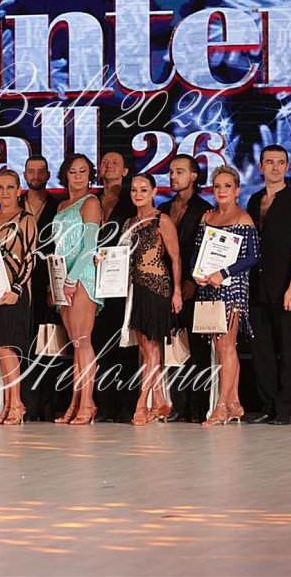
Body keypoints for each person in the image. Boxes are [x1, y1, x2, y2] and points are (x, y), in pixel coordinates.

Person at [246, 145, 291, 425]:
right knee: (261, 351)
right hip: (256, 287)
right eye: (269, 162)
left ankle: (285, 409)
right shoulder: (253, 200)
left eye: (280, 162)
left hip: (286, 288)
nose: (275, 167)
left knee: (288, 350)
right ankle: (268, 405)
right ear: (261, 166)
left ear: (287, 167)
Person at [193, 165, 260, 426]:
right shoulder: (207, 217)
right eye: (217, 186)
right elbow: (197, 251)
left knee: (226, 345)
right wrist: (196, 273)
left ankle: (221, 406)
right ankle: (234, 403)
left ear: (237, 190)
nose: (222, 191)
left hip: (232, 287)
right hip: (209, 287)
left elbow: (253, 256)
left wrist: (224, 272)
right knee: (221, 346)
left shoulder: (243, 219)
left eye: (227, 186)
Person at [117, 173, 182, 425]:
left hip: (157, 288)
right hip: (135, 289)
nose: (138, 194)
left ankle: (141, 404)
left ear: (154, 192)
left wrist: (177, 291)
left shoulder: (161, 220)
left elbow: (175, 258)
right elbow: (121, 256)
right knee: (145, 349)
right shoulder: (129, 222)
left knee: (153, 349)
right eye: (134, 189)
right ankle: (160, 401)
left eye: (143, 189)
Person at [0, 169, 38, 425]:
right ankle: (9, 403)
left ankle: (16, 403)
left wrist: (16, 290)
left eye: (10, 187)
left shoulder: (26, 219)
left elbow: (30, 259)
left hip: (14, 292)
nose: (5, 192)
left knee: (7, 347)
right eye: (0, 187)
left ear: (19, 190)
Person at [158, 154, 212, 423]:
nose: (173, 176)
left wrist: (191, 279)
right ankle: (178, 403)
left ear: (193, 176)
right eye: (171, 172)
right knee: (173, 344)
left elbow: (205, 248)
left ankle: (198, 406)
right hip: (165, 285)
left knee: (198, 348)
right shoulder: (163, 208)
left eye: (179, 171)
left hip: (195, 285)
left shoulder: (205, 209)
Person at [51, 154, 103, 425]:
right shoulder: (61, 205)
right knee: (76, 344)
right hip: (63, 278)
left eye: (83, 171)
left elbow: (90, 247)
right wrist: (57, 281)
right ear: (65, 175)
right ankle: (75, 402)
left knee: (83, 341)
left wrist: (71, 280)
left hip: (82, 277)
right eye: (73, 171)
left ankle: (88, 403)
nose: (79, 176)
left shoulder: (91, 202)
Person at [93, 150, 138, 422]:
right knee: (100, 343)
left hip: (125, 281)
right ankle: (104, 403)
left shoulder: (133, 201)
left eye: (115, 162)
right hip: (95, 280)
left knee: (125, 343)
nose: (109, 166)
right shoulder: (92, 200)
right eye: (105, 162)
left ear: (125, 171)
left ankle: (126, 404)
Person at [20, 154, 65, 421]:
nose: (35, 175)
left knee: (49, 346)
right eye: (30, 171)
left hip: (47, 284)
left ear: (48, 175)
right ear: (25, 175)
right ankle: (27, 405)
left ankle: (48, 406)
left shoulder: (59, 206)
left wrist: (53, 285)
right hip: (19, 285)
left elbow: (62, 247)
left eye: (40, 171)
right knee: (23, 345)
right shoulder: (14, 204)